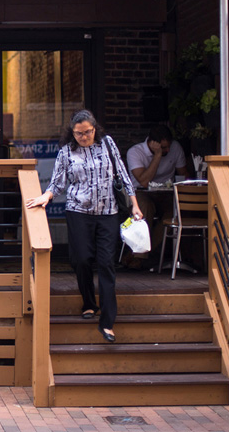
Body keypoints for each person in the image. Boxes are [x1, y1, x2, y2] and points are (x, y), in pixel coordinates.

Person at [26, 109, 142, 344]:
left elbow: (123, 175)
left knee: (107, 262)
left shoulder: (107, 144)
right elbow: (58, 182)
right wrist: (45, 196)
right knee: (81, 259)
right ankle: (89, 302)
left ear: (95, 128)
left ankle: (108, 322)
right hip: (78, 212)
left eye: (87, 132)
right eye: (79, 133)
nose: (84, 137)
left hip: (108, 213)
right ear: (72, 132)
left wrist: (135, 207)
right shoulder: (67, 151)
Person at [125, 124, 188, 268]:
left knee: (176, 212)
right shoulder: (135, 152)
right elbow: (144, 181)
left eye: (168, 147)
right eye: (164, 148)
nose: (168, 150)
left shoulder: (175, 148)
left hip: (166, 193)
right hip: (140, 192)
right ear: (152, 143)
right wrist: (158, 156)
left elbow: (183, 174)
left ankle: (144, 251)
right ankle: (139, 258)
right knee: (144, 208)